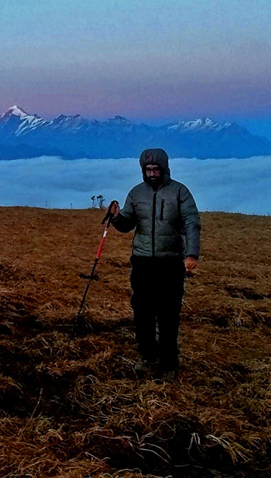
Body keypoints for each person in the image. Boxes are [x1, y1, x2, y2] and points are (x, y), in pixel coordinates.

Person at [107, 148, 200, 378]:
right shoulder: (136, 193)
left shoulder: (180, 192)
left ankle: (169, 362)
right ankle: (147, 355)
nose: (151, 173)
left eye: (155, 169)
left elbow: (191, 223)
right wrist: (117, 217)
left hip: (170, 263)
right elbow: (128, 223)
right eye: (147, 169)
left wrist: (191, 254)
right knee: (143, 311)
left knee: (169, 313)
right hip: (142, 262)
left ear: (164, 168)